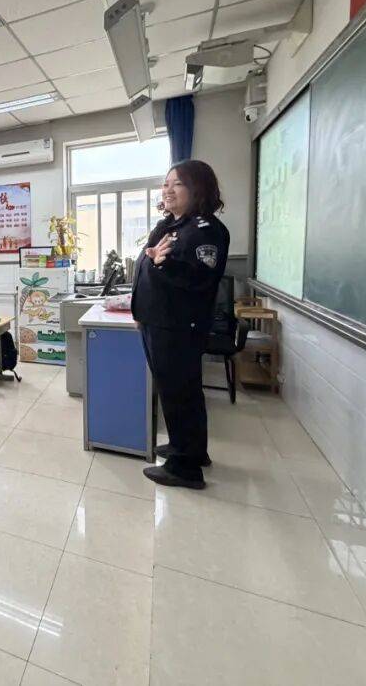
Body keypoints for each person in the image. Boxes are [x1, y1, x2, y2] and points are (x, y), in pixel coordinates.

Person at [132, 159, 230, 490]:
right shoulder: (174, 226)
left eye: (177, 184)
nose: (168, 190)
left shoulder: (204, 230)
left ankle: (184, 468)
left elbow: (198, 280)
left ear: (197, 188)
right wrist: (140, 310)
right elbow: (150, 262)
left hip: (177, 327)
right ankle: (188, 449)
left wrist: (162, 265)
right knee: (178, 391)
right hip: (159, 322)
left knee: (179, 394)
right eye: (165, 183)